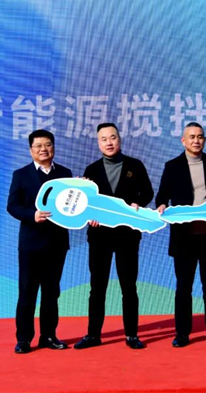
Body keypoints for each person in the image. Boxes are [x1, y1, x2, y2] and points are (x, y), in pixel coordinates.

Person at [74, 123, 154, 350]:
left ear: (119, 139)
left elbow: (148, 192)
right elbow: (85, 202)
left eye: (112, 138)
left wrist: (138, 203)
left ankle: (131, 335)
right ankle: (93, 334)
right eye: (104, 139)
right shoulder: (91, 170)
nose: (109, 143)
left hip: (127, 234)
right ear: (98, 143)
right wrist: (89, 215)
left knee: (128, 286)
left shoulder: (135, 165)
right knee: (97, 287)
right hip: (99, 236)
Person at [156, 122, 206, 348]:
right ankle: (182, 334)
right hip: (184, 237)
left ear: (204, 140)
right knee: (184, 287)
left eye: (200, 136)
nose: (196, 140)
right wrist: (161, 205)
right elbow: (162, 195)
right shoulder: (173, 166)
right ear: (183, 141)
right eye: (191, 137)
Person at [7, 129, 73, 354]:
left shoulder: (65, 174)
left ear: (54, 147)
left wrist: (84, 189)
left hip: (57, 243)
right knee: (27, 293)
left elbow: (74, 204)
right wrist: (31, 215)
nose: (44, 149)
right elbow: (12, 206)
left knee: (51, 293)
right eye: (38, 146)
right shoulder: (21, 174)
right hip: (31, 244)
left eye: (48, 145)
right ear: (31, 150)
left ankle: (49, 336)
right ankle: (24, 339)